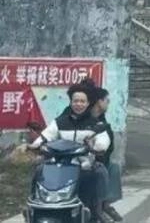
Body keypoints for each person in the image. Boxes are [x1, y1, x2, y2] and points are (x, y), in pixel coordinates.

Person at [27, 83, 111, 223]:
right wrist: (34, 145)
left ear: (88, 103)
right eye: (75, 101)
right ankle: (33, 207)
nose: (78, 104)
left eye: (82, 101)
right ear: (71, 102)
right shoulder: (60, 122)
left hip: (84, 164)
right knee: (39, 169)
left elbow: (103, 142)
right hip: (58, 162)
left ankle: (99, 210)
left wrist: (96, 147)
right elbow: (46, 136)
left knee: (100, 172)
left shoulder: (96, 124)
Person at [90, 87, 123, 222]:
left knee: (114, 167)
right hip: (87, 159)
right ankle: (98, 208)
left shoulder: (102, 120)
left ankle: (105, 204)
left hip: (102, 158)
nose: (108, 104)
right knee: (101, 171)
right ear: (99, 101)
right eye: (106, 101)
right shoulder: (86, 119)